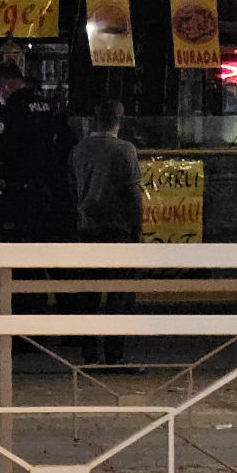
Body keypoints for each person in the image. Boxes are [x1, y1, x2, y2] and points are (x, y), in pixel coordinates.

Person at [62, 100, 143, 366]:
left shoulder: (79, 150)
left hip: (87, 228)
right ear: (120, 120)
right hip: (118, 230)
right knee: (120, 294)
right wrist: (138, 230)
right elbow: (132, 194)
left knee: (89, 293)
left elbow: (71, 189)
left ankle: (89, 353)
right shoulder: (125, 150)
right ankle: (114, 354)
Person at [0, 61, 75, 244]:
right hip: (52, 187)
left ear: (5, 85)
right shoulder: (46, 105)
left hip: (22, 189)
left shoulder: (12, 108)